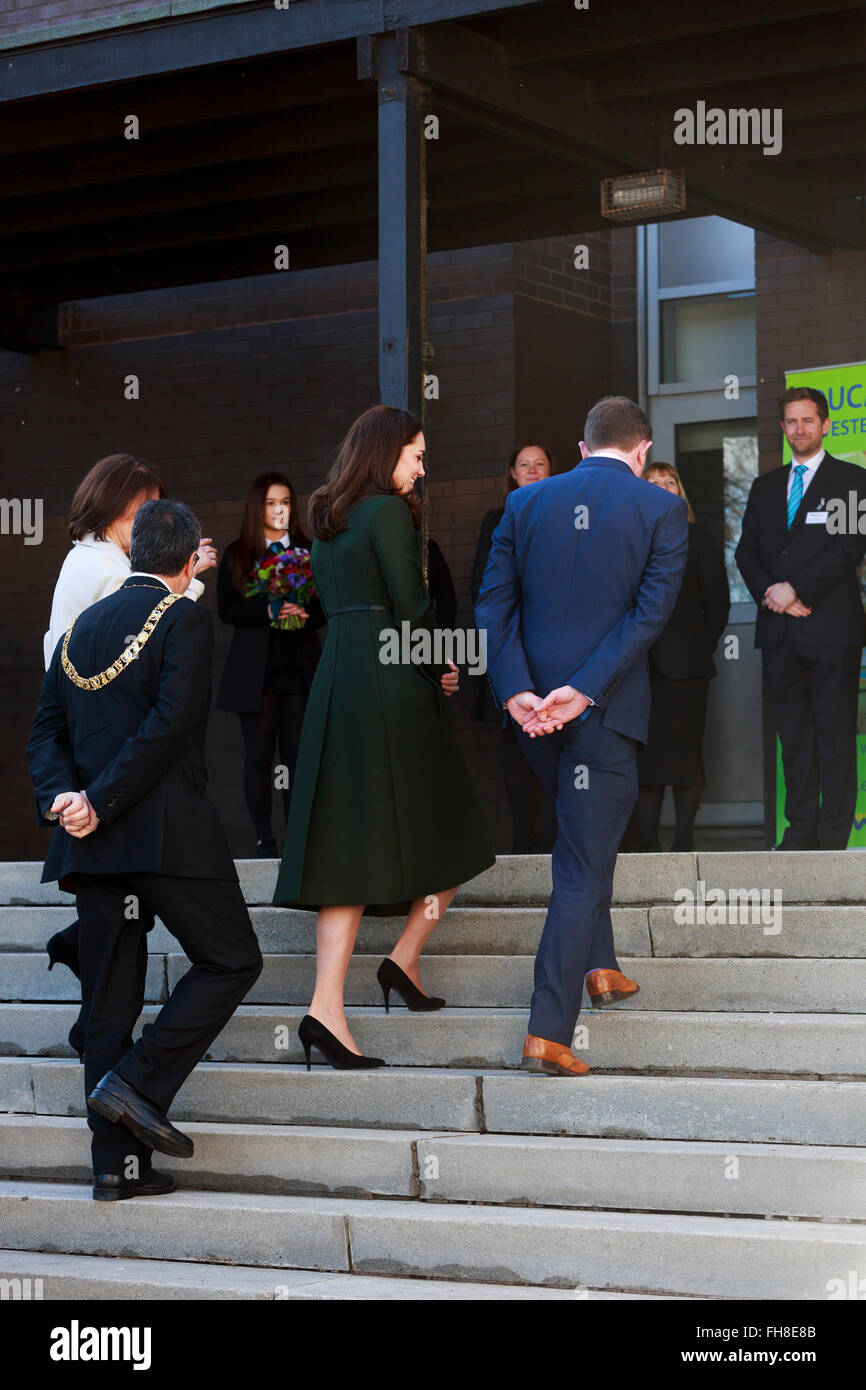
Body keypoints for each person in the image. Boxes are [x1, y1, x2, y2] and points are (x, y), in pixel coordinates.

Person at [26, 499, 262, 1201]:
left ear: (135, 557)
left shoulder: (76, 632)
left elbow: (43, 736)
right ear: (189, 560)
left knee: (108, 1002)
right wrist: (95, 801)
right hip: (165, 838)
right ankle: (135, 1082)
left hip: (93, 847)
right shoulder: (185, 617)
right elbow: (169, 725)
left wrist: (64, 798)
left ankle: (115, 1169)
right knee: (231, 960)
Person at [273, 404, 495, 1069]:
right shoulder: (389, 513)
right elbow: (413, 607)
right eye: (417, 456)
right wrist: (445, 665)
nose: (423, 470)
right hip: (390, 684)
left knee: (345, 845)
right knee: (462, 826)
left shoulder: (328, 522)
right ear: (388, 452)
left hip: (337, 683)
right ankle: (399, 958)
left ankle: (328, 1006)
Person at [476, 396, 688, 1077]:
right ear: (642, 452)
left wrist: (516, 692)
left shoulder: (525, 504)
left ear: (580, 446)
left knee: (581, 842)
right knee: (583, 864)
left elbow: (493, 607)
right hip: (602, 714)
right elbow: (648, 617)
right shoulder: (661, 508)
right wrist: (586, 689)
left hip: (535, 716)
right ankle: (546, 1028)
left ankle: (601, 968)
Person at [41, 454, 217, 1058]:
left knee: (119, 931)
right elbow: (143, 606)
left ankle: (84, 980)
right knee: (191, 948)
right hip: (106, 751)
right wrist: (192, 576)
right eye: (143, 507)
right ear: (116, 510)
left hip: (105, 760)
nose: (148, 518)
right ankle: (112, 1052)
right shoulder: (92, 563)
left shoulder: (108, 563)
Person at [736, 386, 866, 849]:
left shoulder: (852, 481)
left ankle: (833, 838)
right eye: (791, 422)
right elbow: (745, 552)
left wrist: (798, 588)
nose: (799, 430)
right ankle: (800, 833)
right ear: (782, 427)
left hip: (832, 631)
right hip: (780, 632)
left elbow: (850, 548)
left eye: (808, 421)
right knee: (793, 737)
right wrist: (775, 596)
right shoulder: (764, 486)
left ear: (826, 424)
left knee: (833, 734)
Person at [216, 472, 325, 858]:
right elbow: (227, 610)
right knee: (260, 756)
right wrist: (268, 609)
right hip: (256, 672)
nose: (280, 510)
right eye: (271, 503)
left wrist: (302, 611)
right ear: (257, 507)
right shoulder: (239, 553)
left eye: (285, 502)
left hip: (297, 666)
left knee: (297, 755)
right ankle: (265, 839)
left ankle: (297, 839)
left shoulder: (311, 550)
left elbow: (325, 606)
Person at [623, 462, 729, 852]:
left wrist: (695, 647)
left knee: (685, 756)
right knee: (647, 761)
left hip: (687, 669)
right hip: (639, 667)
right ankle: (648, 845)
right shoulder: (627, 538)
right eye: (654, 483)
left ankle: (684, 841)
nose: (664, 488)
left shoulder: (698, 539)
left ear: (680, 492)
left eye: (670, 483)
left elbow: (717, 604)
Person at [470, 443, 557, 853]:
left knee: (556, 739)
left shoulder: (564, 513)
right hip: (510, 648)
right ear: (512, 472)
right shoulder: (496, 520)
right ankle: (523, 836)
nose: (533, 470)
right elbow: (483, 589)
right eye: (524, 464)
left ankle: (556, 837)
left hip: (555, 651)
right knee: (516, 747)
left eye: (540, 464)